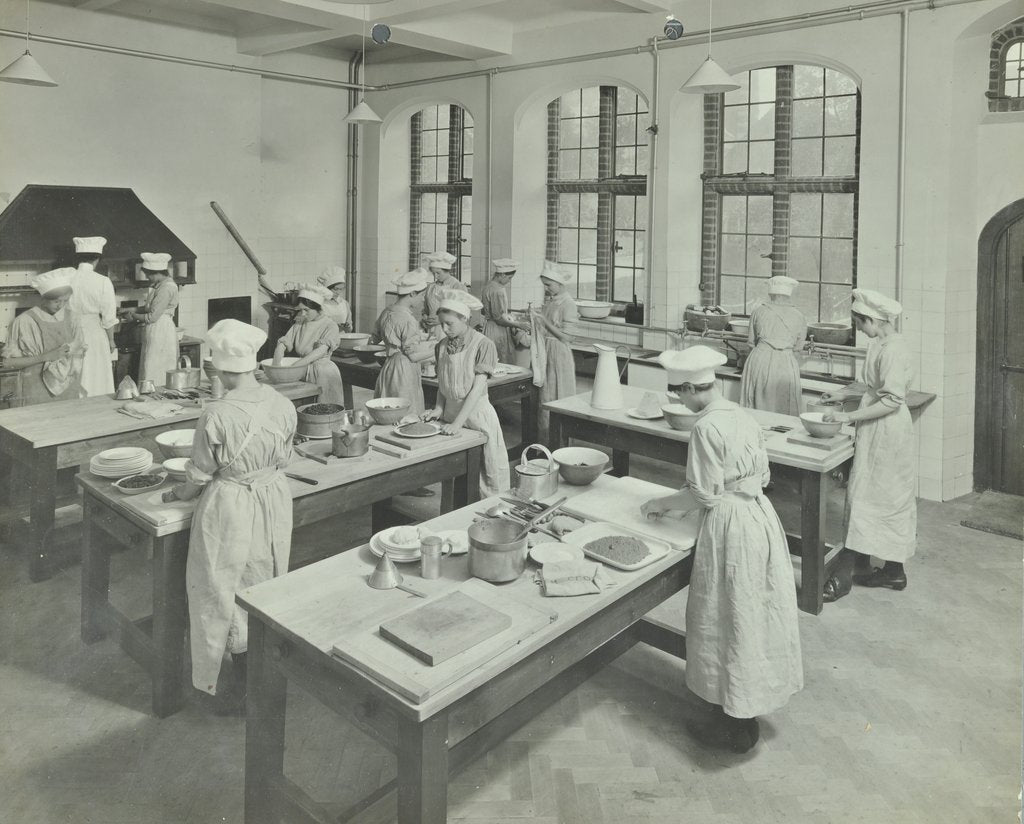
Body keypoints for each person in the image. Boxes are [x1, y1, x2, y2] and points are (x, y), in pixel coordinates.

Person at [640, 345, 802, 754]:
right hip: (759, 519)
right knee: (750, 614)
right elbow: (758, 475)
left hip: (731, 529)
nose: (678, 400)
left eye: (680, 393)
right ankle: (742, 705)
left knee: (726, 614)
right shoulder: (742, 415)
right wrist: (696, 501)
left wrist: (661, 505)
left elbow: (703, 494)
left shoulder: (705, 428)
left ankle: (735, 726)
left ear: (695, 388)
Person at [165, 319, 296, 714]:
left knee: (226, 588)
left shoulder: (216, 413)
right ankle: (267, 676)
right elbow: (284, 456)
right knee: (266, 578)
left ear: (219, 369)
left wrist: (178, 493)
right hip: (273, 496)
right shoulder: (282, 402)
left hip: (232, 503)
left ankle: (241, 689)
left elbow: (200, 472)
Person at [820, 289, 916, 601]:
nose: (859, 329)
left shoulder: (893, 350)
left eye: (861, 323)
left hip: (886, 431)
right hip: (882, 429)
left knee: (866, 497)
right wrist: (843, 395)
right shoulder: (882, 343)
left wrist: (849, 418)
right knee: (887, 498)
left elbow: (891, 399)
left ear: (873, 319)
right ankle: (893, 571)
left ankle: (845, 573)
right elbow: (875, 388)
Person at [423, 289, 510, 497]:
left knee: (487, 476)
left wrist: (457, 424)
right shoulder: (441, 346)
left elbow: (476, 390)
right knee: (454, 476)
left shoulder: (483, 345)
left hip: (476, 417)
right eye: (441, 323)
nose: (444, 329)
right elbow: (443, 382)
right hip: (451, 417)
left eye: (449, 324)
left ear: (465, 318)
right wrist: (438, 408)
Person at [3, 268, 86, 405]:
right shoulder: (25, 321)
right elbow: (8, 362)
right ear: (44, 298)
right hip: (35, 390)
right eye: (56, 301)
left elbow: (79, 352)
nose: (61, 306)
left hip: (68, 390)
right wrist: (45, 357)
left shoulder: (72, 318)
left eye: (65, 301)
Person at [739, 275, 806, 415]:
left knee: (758, 407)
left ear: (770, 293)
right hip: (786, 363)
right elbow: (798, 349)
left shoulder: (758, 311)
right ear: (789, 294)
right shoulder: (799, 316)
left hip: (760, 360)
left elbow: (751, 343)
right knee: (785, 408)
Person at [372, 268, 434, 415]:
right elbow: (412, 356)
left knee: (388, 411)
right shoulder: (408, 319)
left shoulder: (387, 311)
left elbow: (374, 339)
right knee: (405, 413)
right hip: (404, 370)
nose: (423, 300)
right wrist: (437, 350)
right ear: (412, 294)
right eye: (422, 295)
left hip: (389, 367)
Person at [273, 288, 345, 406]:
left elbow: (320, 351)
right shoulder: (301, 322)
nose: (302, 314)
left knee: (323, 409)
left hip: (323, 372)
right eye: (300, 310)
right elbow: (286, 342)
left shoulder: (330, 326)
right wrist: (276, 364)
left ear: (319, 309)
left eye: (306, 310)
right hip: (302, 369)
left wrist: (293, 367)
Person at [532, 260, 578, 440]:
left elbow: (568, 337)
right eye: (545, 285)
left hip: (559, 353)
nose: (547, 289)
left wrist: (544, 322)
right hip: (546, 350)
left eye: (549, 285)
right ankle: (545, 441)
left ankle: (560, 442)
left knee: (558, 394)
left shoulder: (568, 304)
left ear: (559, 283)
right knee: (545, 395)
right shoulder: (552, 301)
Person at [68, 236, 118, 396]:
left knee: (75, 374)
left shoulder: (67, 278)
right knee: (96, 377)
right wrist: (111, 340)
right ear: (97, 259)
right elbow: (109, 317)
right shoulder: (103, 281)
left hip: (70, 333)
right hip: (94, 333)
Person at [127, 253, 178, 384]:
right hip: (156, 328)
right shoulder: (160, 285)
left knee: (155, 365)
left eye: (148, 275)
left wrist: (133, 316)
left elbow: (152, 317)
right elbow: (149, 307)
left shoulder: (166, 288)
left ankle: (155, 394)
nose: (147, 278)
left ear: (156, 273)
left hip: (161, 329)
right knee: (150, 363)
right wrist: (130, 310)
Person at [481, 258, 530, 364]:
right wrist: (518, 324)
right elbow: (498, 319)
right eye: (509, 278)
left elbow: (483, 311)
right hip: (498, 331)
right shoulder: (498, 290)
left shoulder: (488, 286)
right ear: (502, 275)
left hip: (488, 328)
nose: (509, 281)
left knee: (490, 360)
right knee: (502, 360)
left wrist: (505, 316)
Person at [422, 251, 466, 342]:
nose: (436, 276)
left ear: (447, 271)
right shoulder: (431, 287)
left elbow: (462, 314)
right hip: (432, 330)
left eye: (438, 273)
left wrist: (441, 320)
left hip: (450, 329)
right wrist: (425, 316)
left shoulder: (457, 286)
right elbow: (426, 309)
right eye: (433, 273)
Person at [316, 266, 352, 333]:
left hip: (342, 340)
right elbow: (315, 328)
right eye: (336, 289)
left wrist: (347, 327)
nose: (338, 292)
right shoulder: (318, 304)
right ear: (327, 288)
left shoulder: (344, 304)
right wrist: (334, 327)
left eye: (341, 289)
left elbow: (349, 329)